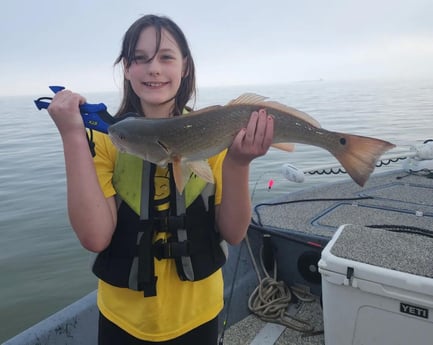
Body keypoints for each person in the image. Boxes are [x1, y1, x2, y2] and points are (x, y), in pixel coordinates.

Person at [47, 14, 274, 344]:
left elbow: (235, 232)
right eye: (140, 58)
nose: (153, 68)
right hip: (121, 320)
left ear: (184, 67)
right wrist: (72, 134)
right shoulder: (110, 139)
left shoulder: (213, 136)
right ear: (126, 69)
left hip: (200, 315)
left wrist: (239, 162)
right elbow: (95, 238)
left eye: (166, 57)